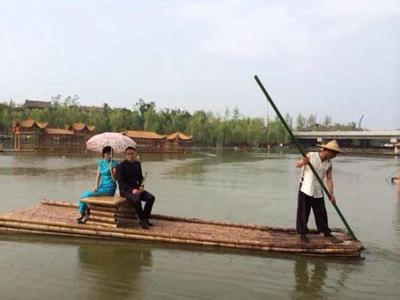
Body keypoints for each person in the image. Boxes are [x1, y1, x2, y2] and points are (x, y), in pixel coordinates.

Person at [295, 140, 343, 242]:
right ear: (328, 151)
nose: (335, 156)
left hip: (318, 189)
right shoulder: (311, 155)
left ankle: (325, 232)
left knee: (321, 212)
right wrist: (304, 162)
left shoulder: (329, 164)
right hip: (305, 186)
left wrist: (331, 194)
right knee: (303, 211)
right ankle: (302, 234)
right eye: (334, 153)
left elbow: (329, 179)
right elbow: (297, 165)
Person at [117, 146, 155, 229]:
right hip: (125, 191)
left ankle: (145, 218)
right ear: (125, 155)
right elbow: (121, 183)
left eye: (132, 154)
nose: (130, 155)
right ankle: (142, 221)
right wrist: (132, 190)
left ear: (135, 154)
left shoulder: (137, 164)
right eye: (128, 154)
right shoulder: (120, 166)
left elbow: (140, 177)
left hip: (137, 188)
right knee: (136, 199)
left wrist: (141, 186)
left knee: (151, 198)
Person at [77, 146, 118, 224]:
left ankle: (84, 214)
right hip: (101, 187)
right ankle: (84, 213)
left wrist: (111, 170)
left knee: (85, 195)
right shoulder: (101, 163)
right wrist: (96, 186)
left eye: (111, 154)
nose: (110, 156)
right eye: (108, 154)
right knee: (84, 195)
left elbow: (114, 180)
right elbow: (98, 175)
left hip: (110, 188)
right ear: (104, 154)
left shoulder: (114, 163)